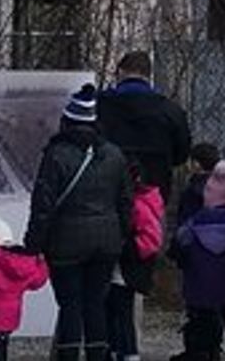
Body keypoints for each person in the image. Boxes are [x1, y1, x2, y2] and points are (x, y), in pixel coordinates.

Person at [26, 83, 132, 361]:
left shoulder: (56, 155)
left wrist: (33, 244)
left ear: (67, 120)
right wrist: (121, 235)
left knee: (70, 304)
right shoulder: (114, 154)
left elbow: (43, 205)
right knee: (95, 303)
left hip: (65, 243)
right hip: (106, 242)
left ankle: (69, 355)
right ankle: (98, 355)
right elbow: (125, 202)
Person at [174, 143, 225, 361]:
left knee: (199, 310)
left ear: (196, 164)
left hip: (198, 263)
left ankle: (201, 349)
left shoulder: (191, 193)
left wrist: (178, 253)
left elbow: (183, 233)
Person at [98, 52, 192, 195]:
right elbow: (182, 153)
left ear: (120, 72)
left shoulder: (100, 106)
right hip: (155, 191)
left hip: (108, 191)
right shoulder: (170, 110)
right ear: (148, 75)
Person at [106, 163, 164, 361]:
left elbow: (150, 240)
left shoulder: (135, 205)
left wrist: (123, 248)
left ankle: (127, 352)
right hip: (129, 267)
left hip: (125, 267)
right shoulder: (146, 201)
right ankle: (122, 351)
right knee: (118, 312)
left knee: (120, 313)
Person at [0, 212, 49, 361]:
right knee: (1, 346)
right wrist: (42, 264)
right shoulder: (22, 262)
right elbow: (37, 281)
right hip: (9, 319)